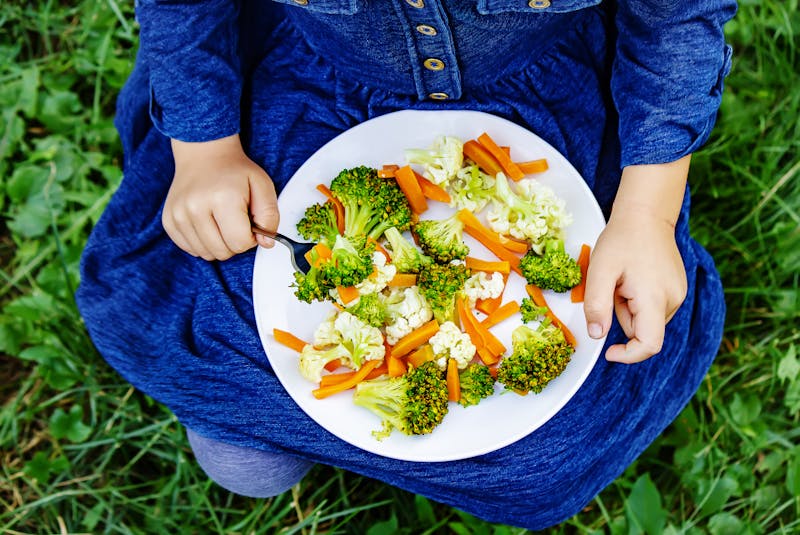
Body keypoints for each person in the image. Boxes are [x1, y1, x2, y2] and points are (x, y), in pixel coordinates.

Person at [76, 0, 736, 529]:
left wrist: (648, 209)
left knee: (543, 462)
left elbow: (678, 14)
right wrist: (204, 151)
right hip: (306, 85)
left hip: (552, 92)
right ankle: (351, 432)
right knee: (243, 464)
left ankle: (374, 444)